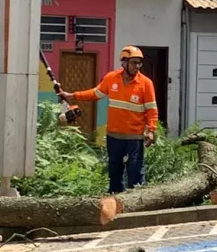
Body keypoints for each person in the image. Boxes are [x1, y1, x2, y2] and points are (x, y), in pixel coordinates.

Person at [59, 45, 158, 193]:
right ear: (124, 63)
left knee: (135, 174)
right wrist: (73, 96)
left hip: (135, 137)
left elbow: (151, 110)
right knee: (114, 173)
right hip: (114, 136)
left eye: (139, 63)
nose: (137, 66)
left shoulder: (146, 83)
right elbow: (95, 94)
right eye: (134, 63)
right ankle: (114, 203)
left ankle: (138, 207)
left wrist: (151, 130)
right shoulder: (111, 78)